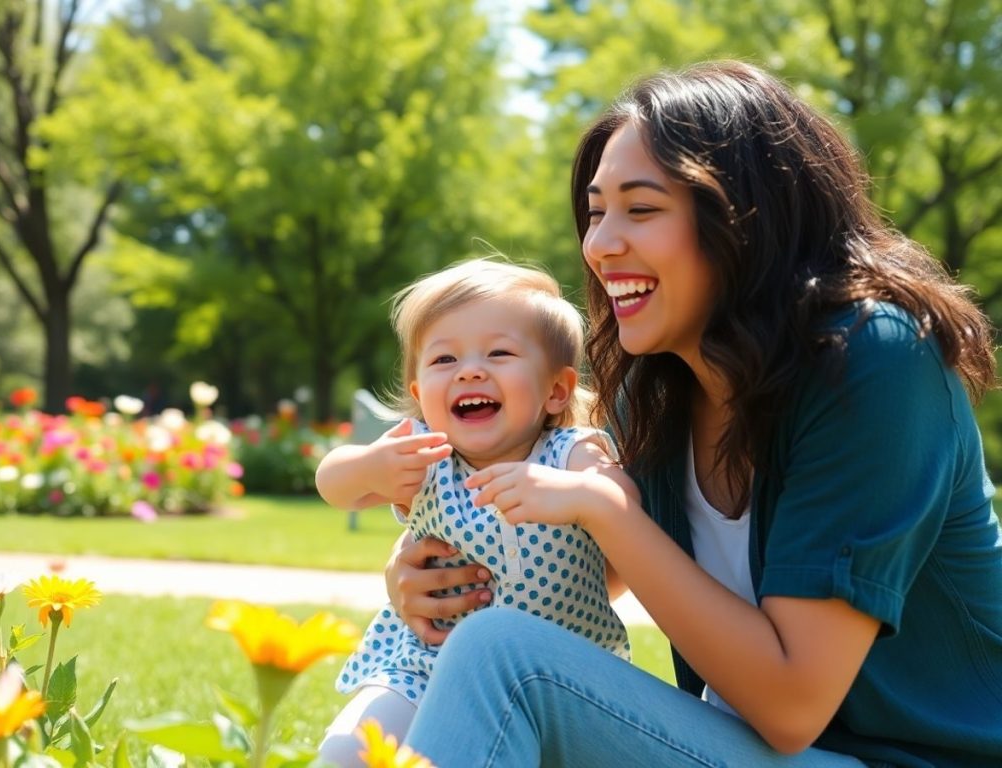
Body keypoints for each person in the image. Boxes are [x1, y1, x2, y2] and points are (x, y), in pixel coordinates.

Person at [385, 61, 1002, 767]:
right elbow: (585, 567)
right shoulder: (653, 388)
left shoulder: (874, 361)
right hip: (743, 749)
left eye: (641, 209)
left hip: (905, 758)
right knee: (488, 648)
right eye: (595, 212)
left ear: (746, 220)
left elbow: (793, 704)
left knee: (505, 658)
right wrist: (426, 579)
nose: (600, 244)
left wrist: (610, 512)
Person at [313, 258, 637, 767]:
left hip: (558, 679)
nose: (469, 370)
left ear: (556, 390)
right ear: (421, 396)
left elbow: (622, 503)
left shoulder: (570, 452)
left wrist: (575, 491)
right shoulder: (426, 457)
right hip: (426, 667)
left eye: (500, 352)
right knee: (346, 752)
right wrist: (370, 467)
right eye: (444, 360)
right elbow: (331, 481)